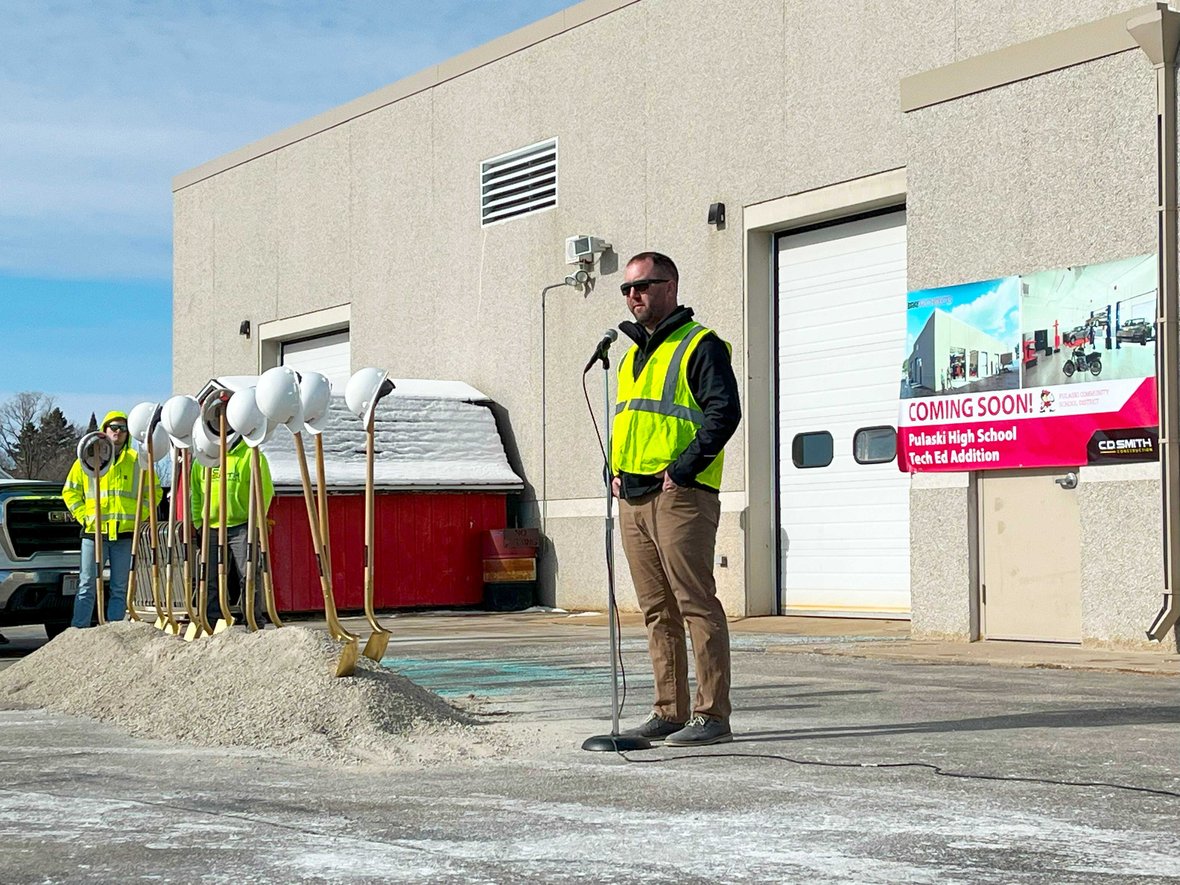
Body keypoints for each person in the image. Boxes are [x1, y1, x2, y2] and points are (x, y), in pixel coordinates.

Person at [612, 251, 742, 747]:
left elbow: (722, 413)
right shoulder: (629, 357)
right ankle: (668, 710)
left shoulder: (700, 346)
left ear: (671, 287)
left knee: (695, 605)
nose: (633, 296)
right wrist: (614, 470)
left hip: (680, 495)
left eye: (643, 286)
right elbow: (631, 421)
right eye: (627, 289)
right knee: (655, 611)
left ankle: (712, 715)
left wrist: (682, 470)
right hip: (635, 495)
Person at [61, 411, 157, 628]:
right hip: (94, 534)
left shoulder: (136, 461)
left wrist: (139, 516)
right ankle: (79, 630)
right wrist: (83, 515)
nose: (118, 431)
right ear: (104, 430)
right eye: (113, 427)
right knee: (87, 585)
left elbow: (154, 491)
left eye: (123, 428)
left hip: (124, 535)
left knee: (120, 588)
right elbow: (70, 491)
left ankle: (115, 631)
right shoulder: (87, 457)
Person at [191, 435, 273, 627]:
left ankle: (253, 621)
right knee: (210, 576)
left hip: (242, 525)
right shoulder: (204, 458)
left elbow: (265, 490)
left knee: (249, 574)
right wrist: (198, 523)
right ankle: (212, 621)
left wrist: (257, 522)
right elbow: (195, 493)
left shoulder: (251, 456)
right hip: (210, 527)